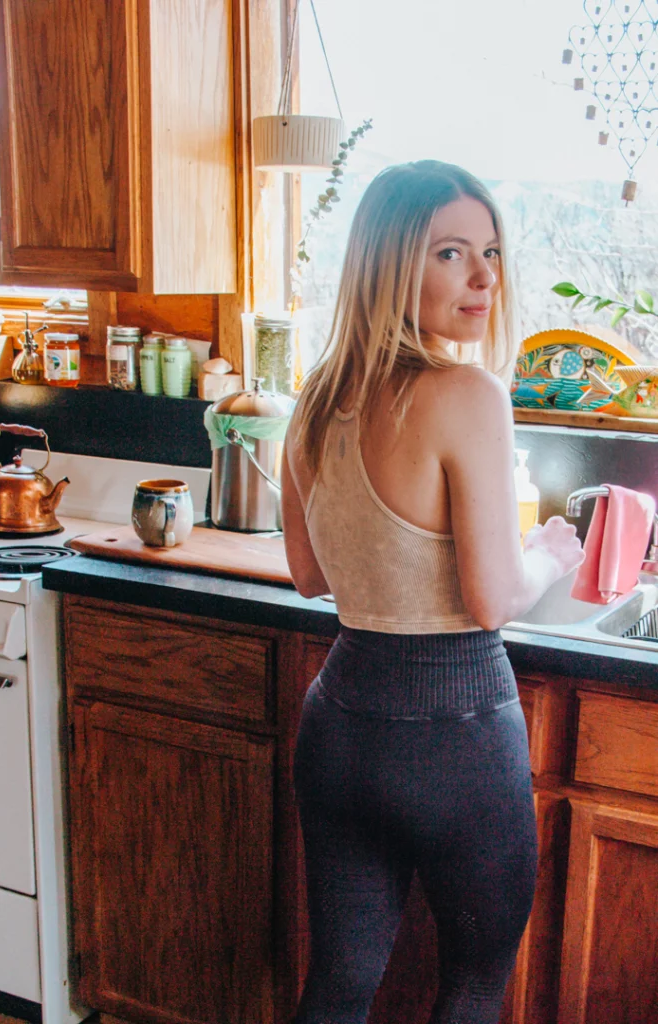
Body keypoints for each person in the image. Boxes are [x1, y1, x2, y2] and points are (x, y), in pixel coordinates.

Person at [280, 160, 584, 1024]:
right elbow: (492, 600)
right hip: (453, 744)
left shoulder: (316, 395)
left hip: (339, 726)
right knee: (471, 988)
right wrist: (547, 554)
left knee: (340, 982)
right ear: (388, 266)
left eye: (489, 251)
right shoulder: (467, 393)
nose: (485, 276)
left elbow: (309, 576)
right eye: (451, 252)